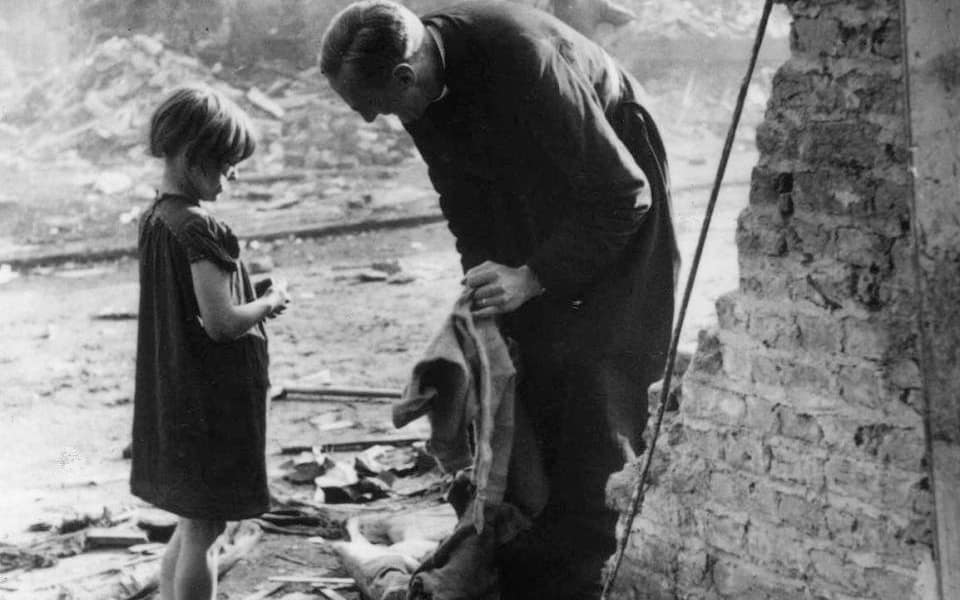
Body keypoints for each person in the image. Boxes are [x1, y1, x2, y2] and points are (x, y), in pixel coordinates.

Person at [321, 2, 678, 598]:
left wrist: (534, 277)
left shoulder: (522, 57)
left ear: (406, 78)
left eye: (377, 109)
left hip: (614, 178)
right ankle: (528, 558)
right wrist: (486, 300)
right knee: (525, 362)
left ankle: (590, 574)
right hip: (539, 182)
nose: (377, 121)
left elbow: (623, 195)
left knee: (596, 377)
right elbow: (464, 202)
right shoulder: (418, 86)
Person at [130, 85, 290, 600]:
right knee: (206, 529)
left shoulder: (157, 219)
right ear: (195, 156)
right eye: (226, 164)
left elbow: (191, 302)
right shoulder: (201, 227)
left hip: (176, 394)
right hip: (211, 402)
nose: (233, 175)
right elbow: (221, 323)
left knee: (191, 522)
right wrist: (269, 302)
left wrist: (247, 289)